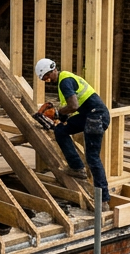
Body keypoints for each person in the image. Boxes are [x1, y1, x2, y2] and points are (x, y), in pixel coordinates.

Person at [36, 58, 110, 206]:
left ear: (50, 72)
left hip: (96, 116)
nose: (47, 81)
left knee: (92, 158)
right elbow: (70, 108)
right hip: (89, 115)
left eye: (46, 78)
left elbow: (73, 105)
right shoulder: (65, 80)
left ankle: (104, 199)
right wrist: (59, 119)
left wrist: (56, 113)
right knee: (61, 131)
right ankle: (76, 167)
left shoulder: (65, 81)